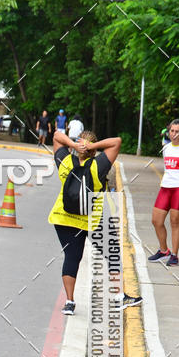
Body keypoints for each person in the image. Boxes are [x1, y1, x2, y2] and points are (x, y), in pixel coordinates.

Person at [48, 129, 141, 314]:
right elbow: (117, 140)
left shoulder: (66, 162)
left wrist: (73, 145)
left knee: (72, 257)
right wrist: (93, 146)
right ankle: (119, 297)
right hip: (94, 219)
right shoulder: (98, 166)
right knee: (112, 254)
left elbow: (57, 135)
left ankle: (69, 302)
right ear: (92, 149)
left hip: (64, 217)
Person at [148, 118, 179, 266]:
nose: (173, 134)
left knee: (175, 221)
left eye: (177, 131)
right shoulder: (166, 148)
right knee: (156, 220)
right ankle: (164, 251)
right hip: (165, 187)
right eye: (171, 131)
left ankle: (174, 255)